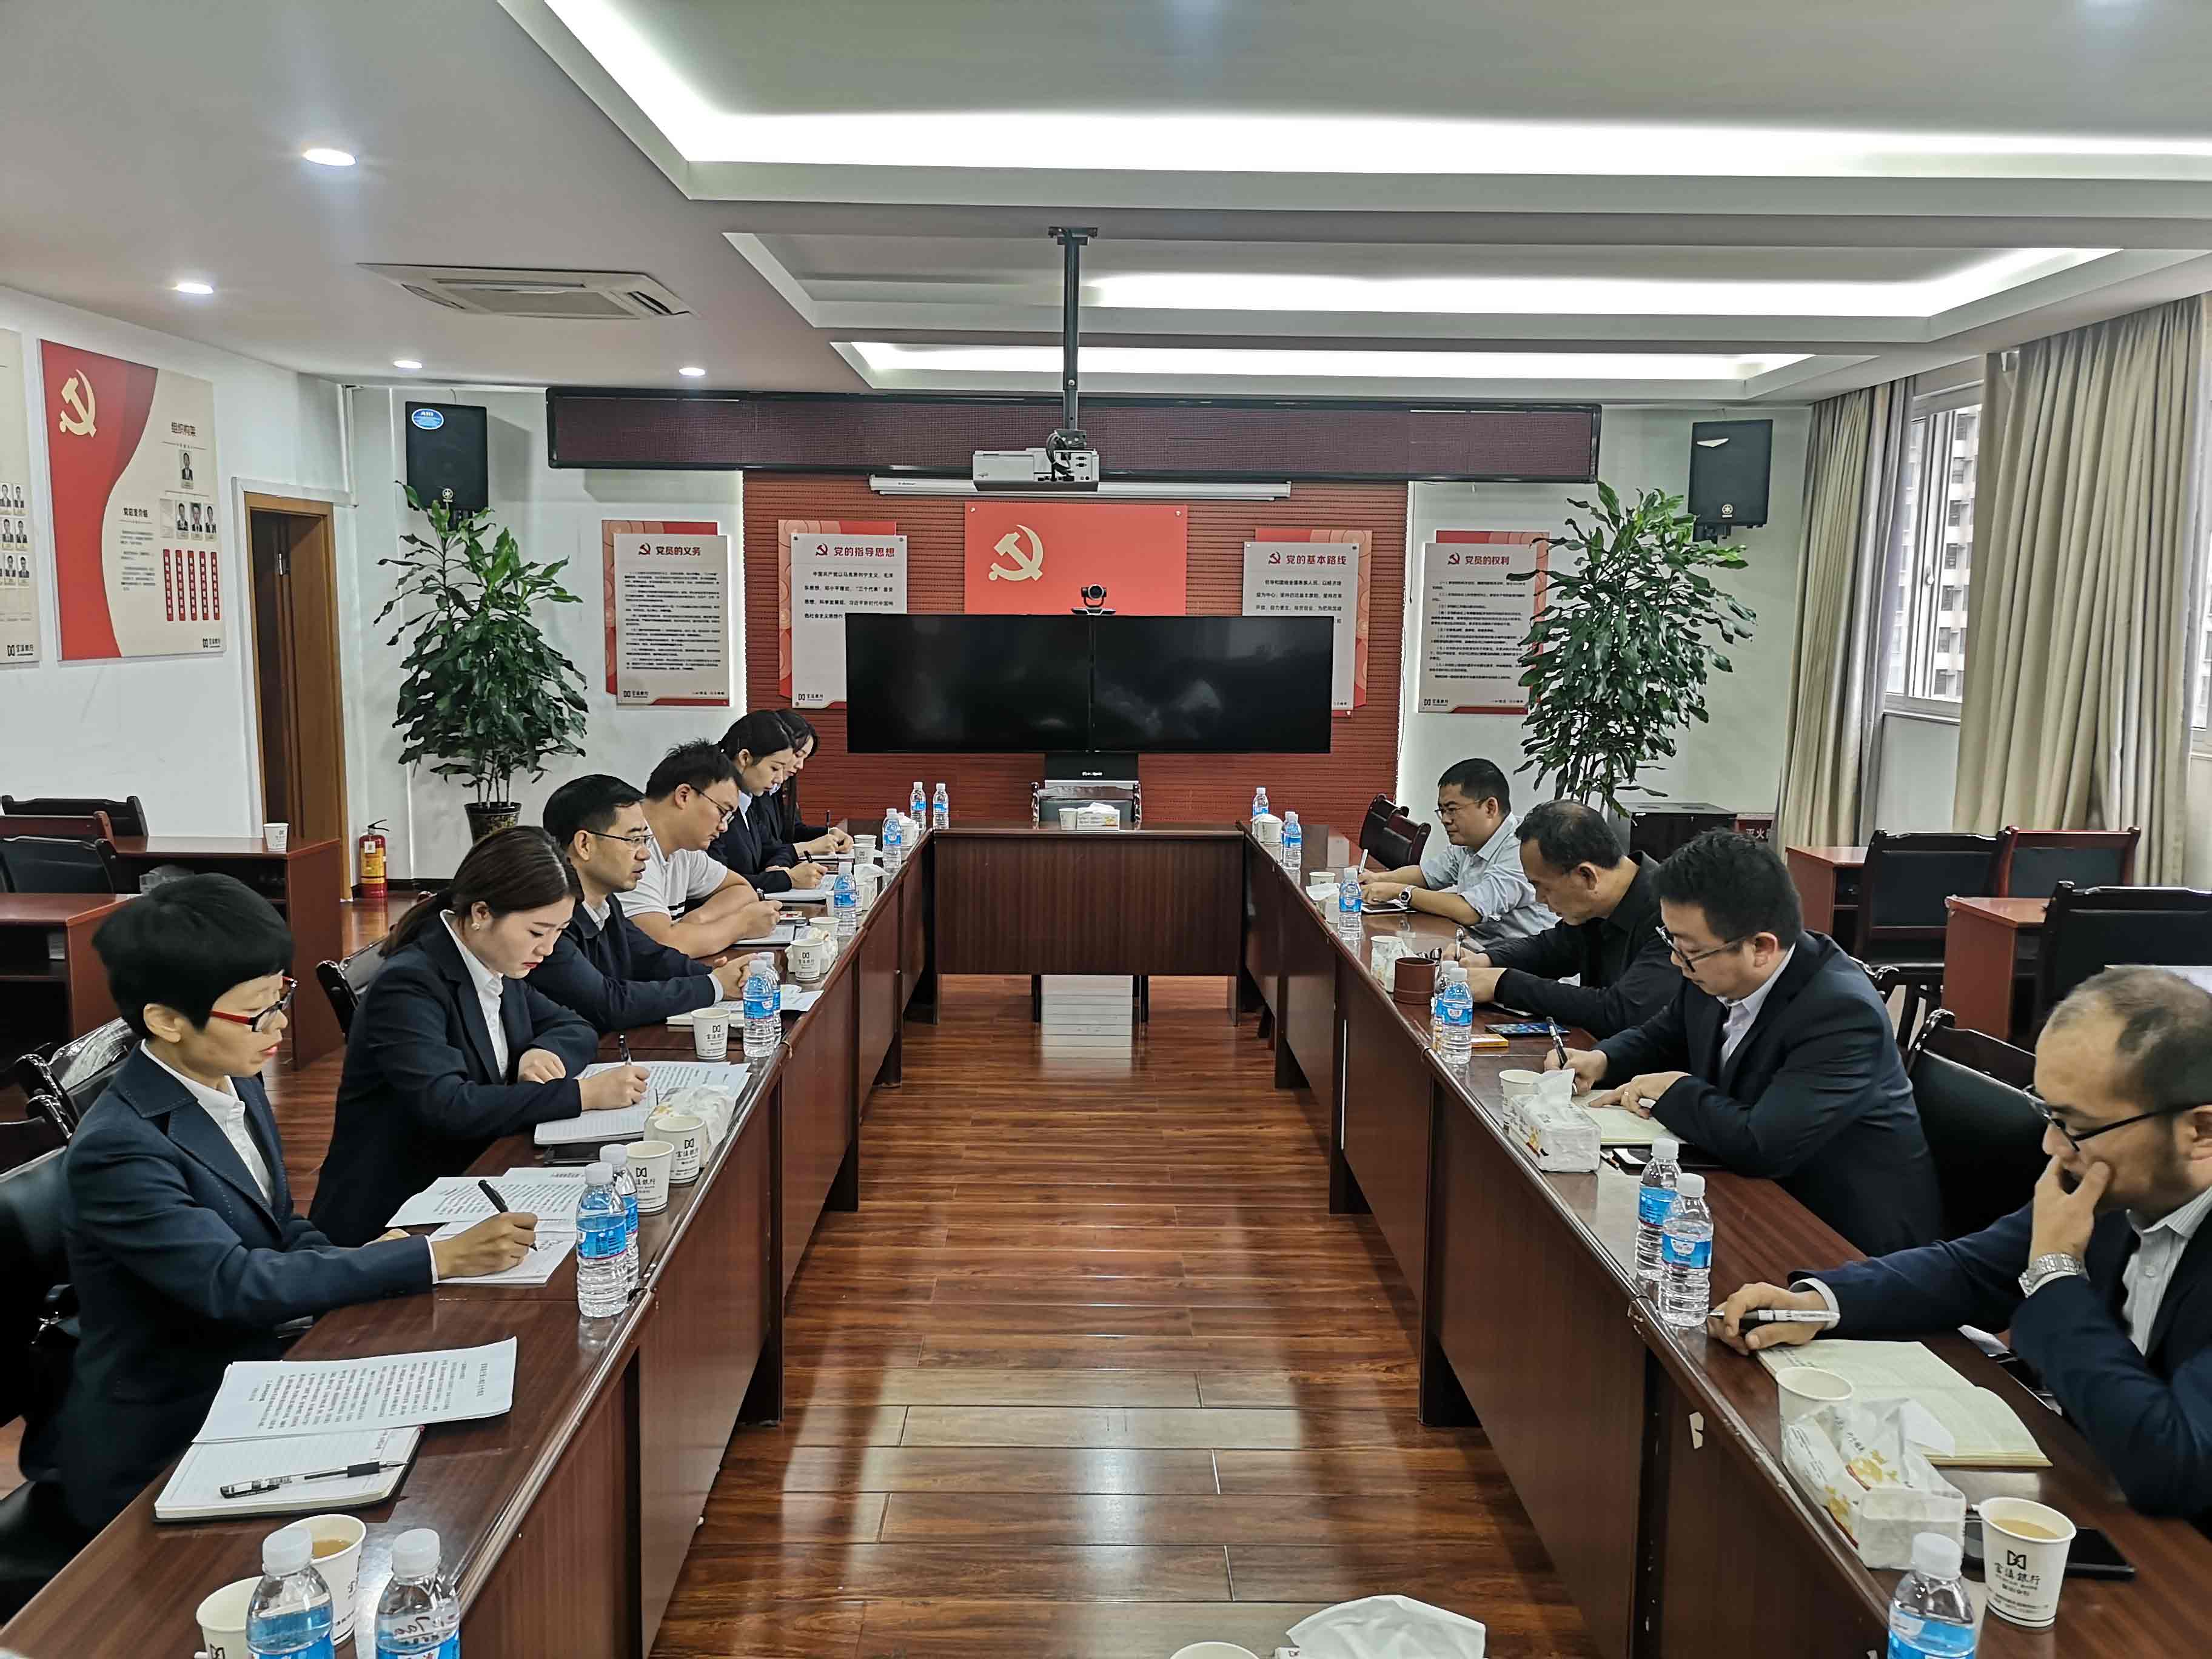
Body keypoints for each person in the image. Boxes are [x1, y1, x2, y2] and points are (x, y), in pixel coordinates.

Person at [42, 875, 537, 1529]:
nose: (279, 1024)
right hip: (168, 1431)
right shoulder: (119, 1148)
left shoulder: (231, 1079)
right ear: (166, 1020)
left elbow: (279, 1224)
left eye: (282, 997)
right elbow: (234, 1283)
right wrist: (429, 1258)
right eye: (257, 1012)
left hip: (253, 1374)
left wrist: (360, 1257)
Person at [1714, 967, 2212, 1528]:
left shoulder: (2110, 1185)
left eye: (2076, 1126)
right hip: (2093, 1493)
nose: (2052, 1146)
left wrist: (2055, 1274)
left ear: (2200, 1131)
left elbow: (2172, 1468)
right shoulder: (2106, 1185)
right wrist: (1820, 1303)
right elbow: (1973, 1270)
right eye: (2048, 1114)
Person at [1554, 828, 1940, 1255]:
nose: (1676, 961)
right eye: (1672, 942)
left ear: (1761, 947)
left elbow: (1761, 1145)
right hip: (1750, 1195)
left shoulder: (1841, 1013)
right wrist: (1602, 1059)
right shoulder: (1713, 970)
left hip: (1843, 1237)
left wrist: (1675, 1089)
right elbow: (1664, 1035)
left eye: (1688, 950)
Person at [310, 828, 644, 1247]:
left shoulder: (493, 961)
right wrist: (582, 1095)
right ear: (482, 913)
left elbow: (575, 1027)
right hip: (396, 1220)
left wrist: (538, 1050)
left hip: (474, 1175)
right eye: (537, 932)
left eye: (559, 931)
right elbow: (450, 1105)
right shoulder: (411, 983)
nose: (546, 949)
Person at [532, 773, 749, 1031]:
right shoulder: (549, 923)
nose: (645, 853)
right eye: (634, 840)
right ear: (584, 844)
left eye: (646, 840)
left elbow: (652, 958)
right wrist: (713, 986)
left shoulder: (606, 904)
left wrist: (719, 975)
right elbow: (608, 1003)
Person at [1448, 800, 1678, 1039]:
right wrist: (1486, 960)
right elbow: (1551, 949)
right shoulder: (1597, 905)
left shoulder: (1670, 914)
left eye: (1543, 887)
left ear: (1586, 876)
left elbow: (1622, 1012)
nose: (1539, 898)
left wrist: (1503, 984)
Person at [1356, 759, 1553, 944]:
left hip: (1519, 961)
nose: (1445, 820)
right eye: (1442, 811)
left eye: (1452, 810)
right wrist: (1378, 879)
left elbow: (1469, 910)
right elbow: (1427, 875)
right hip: (1474, 945)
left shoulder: (1520, 848)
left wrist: (1400, 892)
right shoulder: (1470, 842)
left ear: (1490, 807)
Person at [627, 741, 783, 957]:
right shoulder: (630, 849)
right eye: (722, 811)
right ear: (684, 795)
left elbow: (742, 889)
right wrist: (742, 925)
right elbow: (663, 945)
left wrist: (698, 920)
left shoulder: (684, 850)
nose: (724, 827)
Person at [708, 710, 825, 896]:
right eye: (775, 768)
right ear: (745, 758)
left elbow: (772, 849)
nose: (779, 779)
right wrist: (787, 879)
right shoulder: (712, 807)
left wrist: (780, 871)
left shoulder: (746, 802)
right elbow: (714, 884)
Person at [765, 710, 853, 856]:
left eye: (804, 759)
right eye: (797, 755)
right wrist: (810, 847)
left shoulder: (780, 787)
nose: (800, 766)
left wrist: (830, 833)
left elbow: (793, 830)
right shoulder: (757, 790)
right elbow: (766, 851)